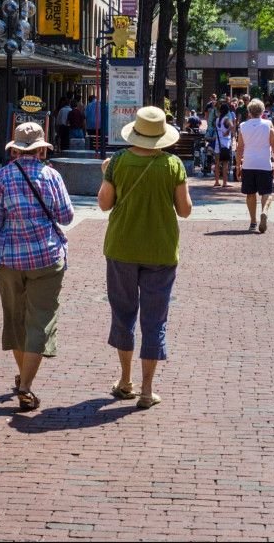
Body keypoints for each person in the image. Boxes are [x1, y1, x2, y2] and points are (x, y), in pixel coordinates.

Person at [0, 121, 75, 413]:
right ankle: (26, 386)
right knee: (41, 321)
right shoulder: (52, 176)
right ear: (42, 148)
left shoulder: (2, 176)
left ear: (16, 149)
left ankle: (23, 380)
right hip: (46, 256)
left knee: (16, 320)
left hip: (8, 259)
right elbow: (66, 216)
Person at [98, 105, 192, 409]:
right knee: (155, 319)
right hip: (161, 250)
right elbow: (185, 210)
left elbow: (104, 204)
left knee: (123, 314)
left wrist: (107, 175)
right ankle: (148, 390)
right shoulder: (173, 165)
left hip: (122, 247)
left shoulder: (118, 163)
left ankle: (125, 381)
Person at [236, 98, 274, 233]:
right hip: (264, 164)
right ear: (262, 112)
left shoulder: (243, 126)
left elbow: (240, 148)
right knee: (267, 192)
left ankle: (253, 222)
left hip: (249, 164)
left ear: (249, 112)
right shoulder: (268, 125)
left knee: (250, 194)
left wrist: (238, 165)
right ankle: (264, 211)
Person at [213, 101, 235, 188]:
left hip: (217, 143)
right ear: (227, 111)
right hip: (225, 143)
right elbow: (232, 126)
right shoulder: (226, 119)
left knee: (217, 163)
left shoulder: (217, 119)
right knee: (225, 164)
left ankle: (217, 181)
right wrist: (227, 131)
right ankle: (225, 182)